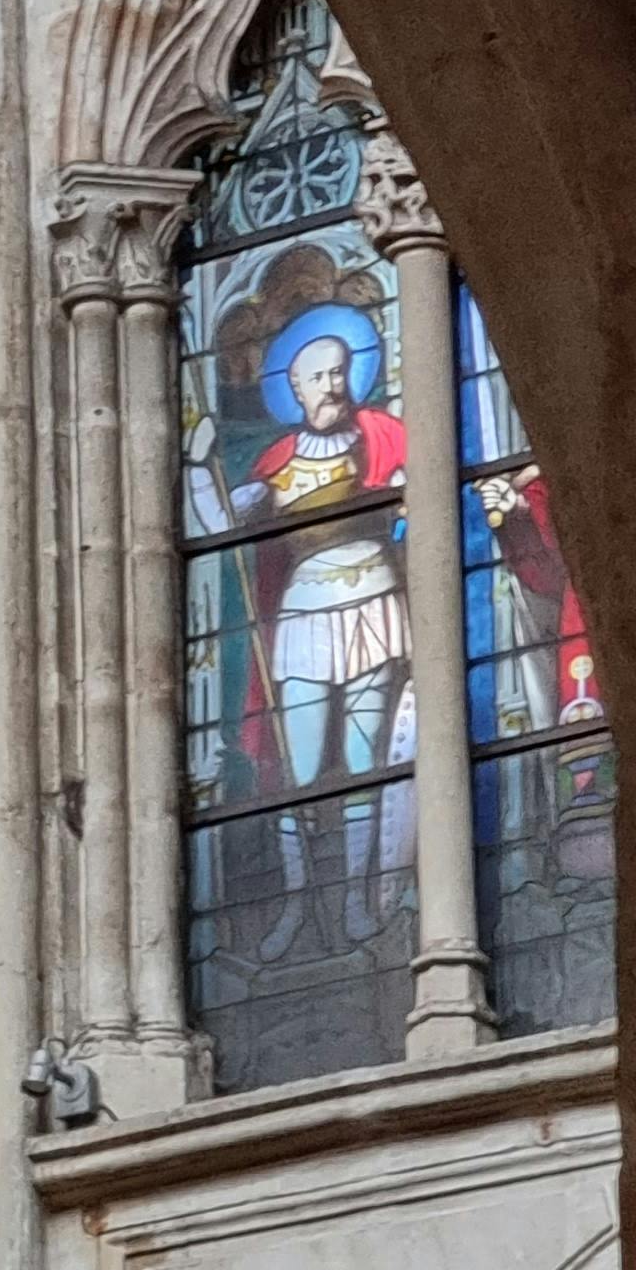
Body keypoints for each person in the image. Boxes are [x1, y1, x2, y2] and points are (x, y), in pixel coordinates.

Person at [187, 302, 411, 953]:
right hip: (305, 616)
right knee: (300, 766)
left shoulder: (379, 441)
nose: (333, 385)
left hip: (373, 600)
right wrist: (200, 468)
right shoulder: (278, 462)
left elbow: (412, 493)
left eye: (341, 372)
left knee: (368, 760)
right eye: (320, 376)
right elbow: (220, 525)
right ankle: (296, 905)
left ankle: (357, 902)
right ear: (296, 388)